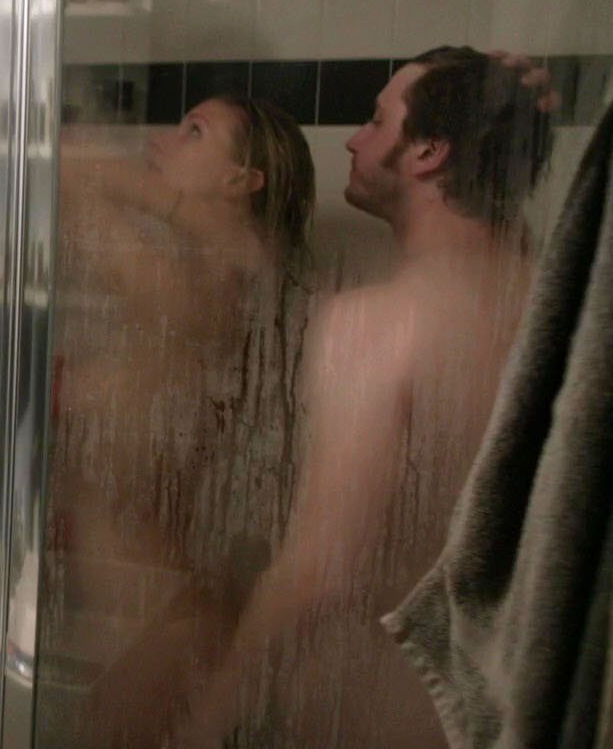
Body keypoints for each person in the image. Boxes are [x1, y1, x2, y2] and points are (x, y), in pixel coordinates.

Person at [177, 46, 558, 747]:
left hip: (386, 711)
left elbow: (320, 570)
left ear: (429, 153)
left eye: (378, 121)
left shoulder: (380, 325)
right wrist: (498, 115)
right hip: (495, 706)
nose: (355, 140)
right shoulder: (554, 303)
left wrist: (208, 718)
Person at [44, 94, 316, 745]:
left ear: (241, 180)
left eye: (194, 132)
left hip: (163, 622)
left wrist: (97, 163)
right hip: (133, 612)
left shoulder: (206, 288)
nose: (162, 141)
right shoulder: (194, 277)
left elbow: (75, 177)